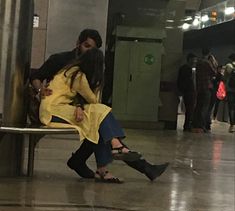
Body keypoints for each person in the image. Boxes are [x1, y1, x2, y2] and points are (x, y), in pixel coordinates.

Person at [31, 29, 169, 180]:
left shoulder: (90, 67)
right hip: (59, 110)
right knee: (100, 120)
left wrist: (80, 106)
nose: (88, 51)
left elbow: (89, 95)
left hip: (76, 109)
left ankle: (102, 160)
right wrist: (40, 89)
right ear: (78, 43)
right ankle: (121, 159)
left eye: (93, 48)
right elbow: (36, 76)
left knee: (99, 121)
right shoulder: (62, 61)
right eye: (86, 45)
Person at [192, 48, 217, 133]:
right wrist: (213, 61)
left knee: (198, 106)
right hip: (206, 87)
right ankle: (202, 126)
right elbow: (214, 72)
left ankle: (195, 124)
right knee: (205, 107)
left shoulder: (198, 62)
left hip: (198, 87)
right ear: (209, 53)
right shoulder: (207, 62)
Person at [177, 53, 197, 131]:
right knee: (190, 109)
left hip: (189, 91)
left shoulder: (190, 68)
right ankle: (187, 125)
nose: (195, 61)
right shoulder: (186, 69)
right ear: (189, 59)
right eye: (194, 59)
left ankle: (187, 124)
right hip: (188, 91)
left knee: (190, 109)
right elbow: (185, 81)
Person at [223, 53, 235, 133]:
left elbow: (224, 78)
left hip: (230, 90)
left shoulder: (228, 66)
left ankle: (232, 125)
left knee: (231, 108)